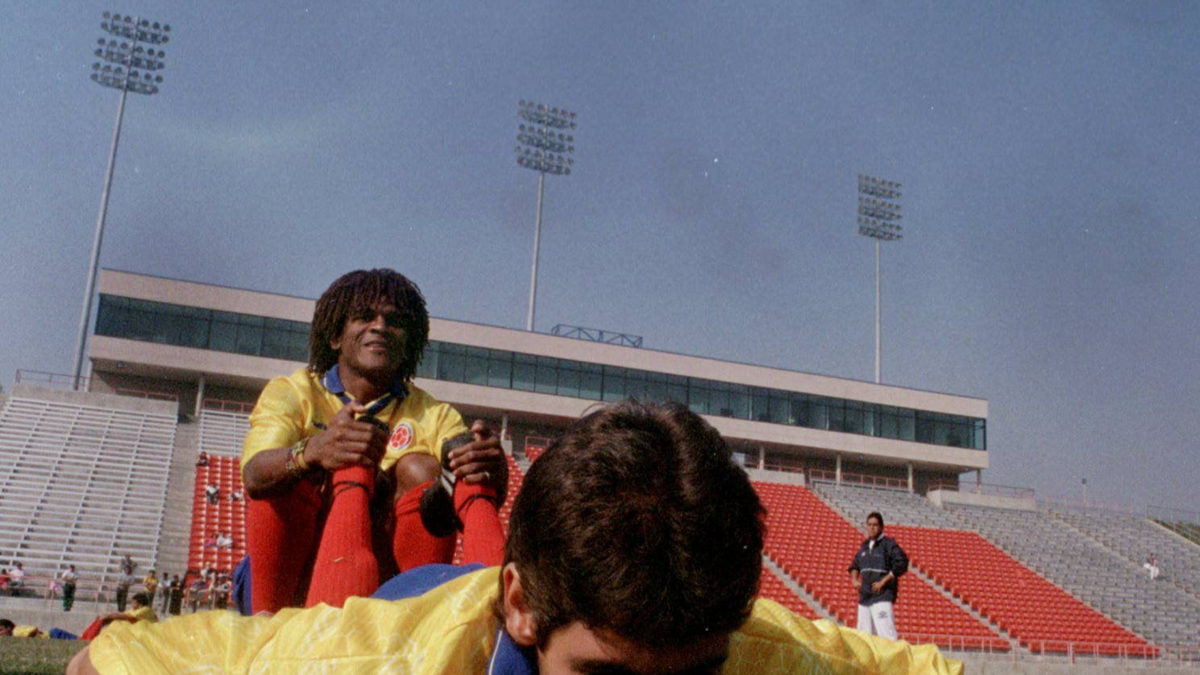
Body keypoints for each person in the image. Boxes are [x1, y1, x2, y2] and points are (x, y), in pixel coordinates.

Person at [70, 401, 961, 675]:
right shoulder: (372, 660)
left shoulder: (765, 649)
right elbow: (106, 663)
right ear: (524, 609)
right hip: (419, 591)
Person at [236, 269, 508, 614]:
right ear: (335, 337)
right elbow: (255, 475)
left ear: (408, 343)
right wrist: (314, 451)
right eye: (364, 317)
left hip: (384, 574)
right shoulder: (292, 391)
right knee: (293, 469)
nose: (380, 326)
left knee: (422, 468)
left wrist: (490, 467)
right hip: (293, 572)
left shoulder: (435, 414)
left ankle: (419, 618)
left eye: (394, 321)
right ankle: (266, 621)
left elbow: (466, 483)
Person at [848, 511, 909, 640]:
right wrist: (854, 580)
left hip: (881, 597)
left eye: (875, 525)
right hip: (864, 598)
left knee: (887, 636)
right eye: (869, 524)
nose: (872, 528)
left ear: (881, 527)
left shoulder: (888, 544)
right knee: (863, 638)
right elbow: (854, 565)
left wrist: (884, 581)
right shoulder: (864, 547)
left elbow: (902, 562)